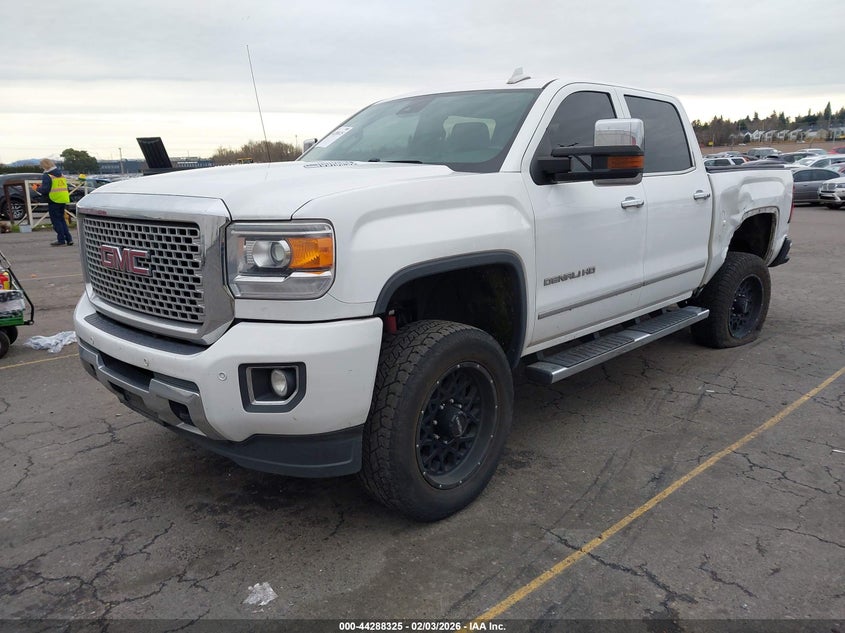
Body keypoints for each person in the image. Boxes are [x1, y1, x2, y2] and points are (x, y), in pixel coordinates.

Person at [33, 158, 73, 246]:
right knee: (62, 220)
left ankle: (61, 240)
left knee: (56, 221)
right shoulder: (61, 174)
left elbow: (45, 190)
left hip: (53, 199)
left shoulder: (47, 175)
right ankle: (69, 239)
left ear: (44, 166)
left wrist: (36, 188)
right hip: (63, 198)